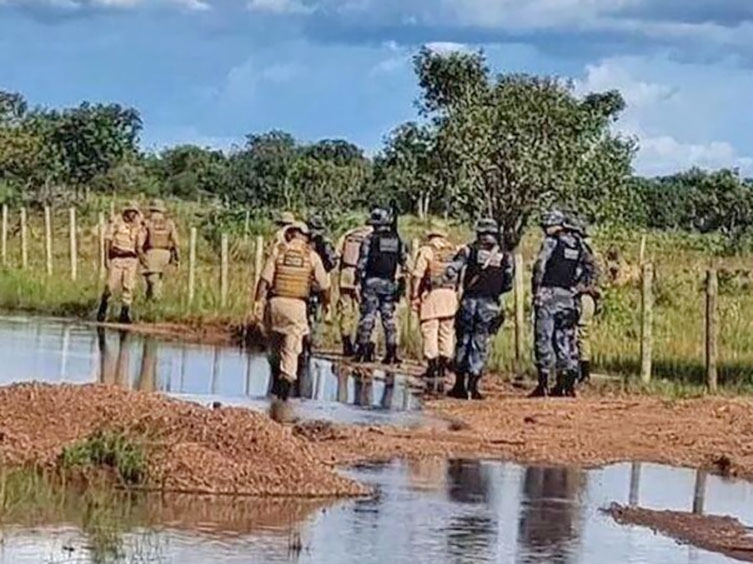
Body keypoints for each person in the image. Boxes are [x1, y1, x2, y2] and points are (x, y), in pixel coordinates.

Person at [253, 222, 331, 401]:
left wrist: (258, 302)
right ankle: (284, 396)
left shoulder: (278, 252)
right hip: (297, 306)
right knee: (291, 350)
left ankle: (274, 384)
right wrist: (327, 304)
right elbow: (325, 285)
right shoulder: (311, 256)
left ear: (290, 234)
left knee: (274, 346)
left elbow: (264, 281)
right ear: (304, 236)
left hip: (275, 304)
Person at [442, 218, 514, 400]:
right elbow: (508, 284)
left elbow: (452, 270)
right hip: (490, 303)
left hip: (469, 302)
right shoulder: (505, 256)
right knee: (480, 343)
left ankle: (459, 385)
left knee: (464, 340)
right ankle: (473, 387)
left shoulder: (468, 250)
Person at [529, 210, 597, 398]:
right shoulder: (579, 245)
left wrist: (536, 290)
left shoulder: (551, 242)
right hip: (568, 298)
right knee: (566, 340)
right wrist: (580, 287)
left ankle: (543, 384)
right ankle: (566, 385)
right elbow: (592, 268)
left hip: (548, 295)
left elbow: (540, 266)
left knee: (543, 338)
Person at [354, 207, 408, 365]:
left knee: (368, 317)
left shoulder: (369, 239)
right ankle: (391, 352)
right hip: (389, 283)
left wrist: (357, 280)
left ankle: (362, 351)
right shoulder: (397, 240)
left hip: (371, 282)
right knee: (389, 318)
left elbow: (361, 263)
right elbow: (404, 261)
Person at [410, 224, 459, 389]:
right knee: (446, 331)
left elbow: (417, 275)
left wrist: (414, 295)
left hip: (433, 294)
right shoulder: (453, 251)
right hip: (451, 294)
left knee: (429, 329)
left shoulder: (427, 251)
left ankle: (432, 366)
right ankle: (443, 366)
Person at [564, 213, 602, 384]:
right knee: (583, 335)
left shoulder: (579, 251)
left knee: (574, 334)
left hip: (581, 297)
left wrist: (579, 288)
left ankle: (575, 372)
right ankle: (583, 372)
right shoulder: (591, 252)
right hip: (589, 297)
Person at [97, 201, 146, 324]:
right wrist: (106, 259)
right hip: (117, 257)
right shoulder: (117, 222)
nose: (132, 214)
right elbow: (107, 239)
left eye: (134, 212)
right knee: (110, 285)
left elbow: (139, 245)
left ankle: (124, 313)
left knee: (128, 286)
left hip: (131, 259)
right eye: (130, 211)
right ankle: (102, 310)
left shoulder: (138, 225)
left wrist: (142, 259)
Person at [335, 221, 373, 356]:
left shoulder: (348, 234)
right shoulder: (372, 236)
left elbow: (337, 255)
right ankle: (361, 343)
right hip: (362, 276)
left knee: (346, 310)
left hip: (346, 274)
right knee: (365, 310)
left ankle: (346, 343)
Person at [305, 215, 338, 351]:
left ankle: (306, 341)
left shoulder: (305, 242)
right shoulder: (326, 243)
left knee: (307, 312)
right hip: (320, 281)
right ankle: (314, 342)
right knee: (318, 312)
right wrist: (322, 271)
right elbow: (332, 262)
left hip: (306, 281)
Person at [142, 199, 180, 300]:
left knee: (152, 279)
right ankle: (150, 300)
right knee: (158, 278)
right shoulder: (169, 223)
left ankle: (156, 299)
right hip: (165, 253)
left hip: (151, 252)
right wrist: (177, 257)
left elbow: (141, 239)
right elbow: (176, 241)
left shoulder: (147, 223)